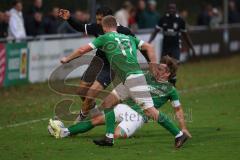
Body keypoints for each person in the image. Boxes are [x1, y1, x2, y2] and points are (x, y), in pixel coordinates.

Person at [59, 16, 189, 147]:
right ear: (116, 26)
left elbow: (82, 50)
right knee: (108, 103)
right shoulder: (129, 38)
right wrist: (153, 65)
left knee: (150, 111)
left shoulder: (104, 38)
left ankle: (178, 135)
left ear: (104, 28)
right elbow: (149, 47)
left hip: (134, 79)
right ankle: (109, 137)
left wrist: (67, 59)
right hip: (129, 79)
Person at [49, 56, 191, 149]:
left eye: (161, 69)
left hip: (137, 117)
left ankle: (179, 134)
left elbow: (178, 110)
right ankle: (64, 132)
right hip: (124, 107)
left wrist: (183, 127)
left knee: (118, 134)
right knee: (96, 119)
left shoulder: (170, 90)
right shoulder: (145, 77)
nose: (157, 70)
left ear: (167, 74)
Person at [58, 6, 150, 123]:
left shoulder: (124, 31)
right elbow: (81, 27)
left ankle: (80, 120)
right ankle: (91, 107)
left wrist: (149, 62)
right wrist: (69, 18)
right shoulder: (97, 26)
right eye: (97, 19)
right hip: (98, 60)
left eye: (100, 19)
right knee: (81, 91)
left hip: (112, 65)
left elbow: (141, 47)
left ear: (109, 19)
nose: (97, 22)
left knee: (91, 92)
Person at [148, 3, 196, 85]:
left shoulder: (180, 21)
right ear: (167, 9)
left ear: (176, 10)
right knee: (163, 66)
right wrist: (149, 42)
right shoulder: (163, 19)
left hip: (175, 47)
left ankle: (172, 84)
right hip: (165, 47)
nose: (171, 10)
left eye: (173, 8)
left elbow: (185, 35)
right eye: (170, 8)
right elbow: (155, 31)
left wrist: (191, 47)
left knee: (174, 65)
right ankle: (163, 83)